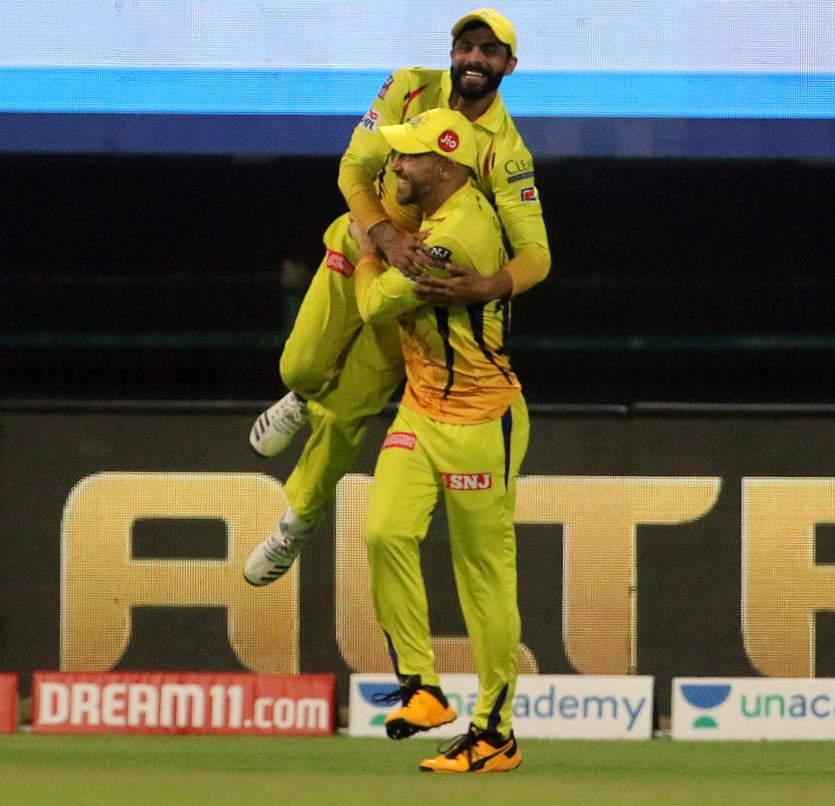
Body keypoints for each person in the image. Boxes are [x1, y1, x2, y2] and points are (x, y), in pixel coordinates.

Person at [243, 8, 548, 586]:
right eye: (466, 47)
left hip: (409, 293)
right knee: (301, 366)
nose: (474, 59)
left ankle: (295, 523)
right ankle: (302, 395)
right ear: (452, 52)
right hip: (359, 242)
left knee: (348, 411)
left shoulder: (505, 153)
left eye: (489, 50)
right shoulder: (408, 86)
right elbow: (355, 167)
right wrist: (380, 233)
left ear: (510, 64)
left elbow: (537, 254)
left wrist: (489, 284)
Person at [352, 107, 527, 773]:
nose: (395, 165)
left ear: (447, 165)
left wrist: (369, 244)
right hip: (421, 411)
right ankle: (423, 690)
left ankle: (495, 733)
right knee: (385, 533)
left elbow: (373, 305)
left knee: (484, 579)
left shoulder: (452, 238)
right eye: (395, 154)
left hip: (481, 421)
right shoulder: (434, 214)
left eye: (408, 157)